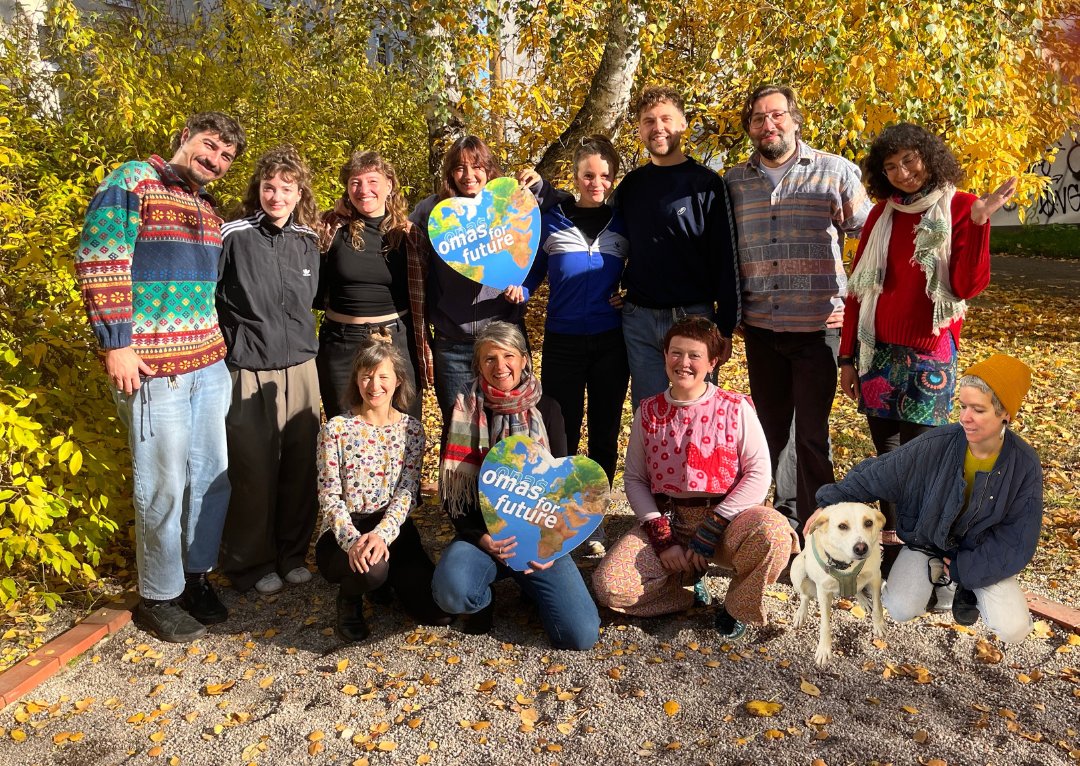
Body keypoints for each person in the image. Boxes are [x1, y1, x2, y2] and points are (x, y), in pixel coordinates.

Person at [75, 112, 246, 642]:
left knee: (211, 478)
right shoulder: (132, 180)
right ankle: (159, 594)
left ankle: (195, 578)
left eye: (225, 156)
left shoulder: (208, 207)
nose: (214, 160)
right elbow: (100, 258)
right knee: (164, 484)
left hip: (207, 364)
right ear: (184, 138)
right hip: (152, 368)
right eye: (209, 146)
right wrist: (116, 344)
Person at [839, 123, 1016, 574]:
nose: (902, 172)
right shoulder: (883, 214)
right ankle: (899, 553)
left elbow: (966, 285)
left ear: (929, 156)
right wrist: (846, 357)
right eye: (891, 166)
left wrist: (978, 224)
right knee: (890, 458)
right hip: (876, 352)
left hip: (930, 354)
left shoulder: (960, 207)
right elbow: (858, 290)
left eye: (909, 160)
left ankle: (928, 555)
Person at [724, 84, 873, 533]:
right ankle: (784, 521)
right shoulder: (734, 181)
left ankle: (816, 528)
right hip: (761, 328)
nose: (768, 125)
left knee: (810, 436)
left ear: (794, 119)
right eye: (758, 118)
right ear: (749, 127)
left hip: (817, 326)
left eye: (777, 115)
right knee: (773, 434)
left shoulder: (834, 172)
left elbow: (873, 236)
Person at [593, 317, 799, 640]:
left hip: (729, 524)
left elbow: (759, 473)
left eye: (694, 355)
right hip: (670, 521)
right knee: (609, 587)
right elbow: (634, 478)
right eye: (675, 353)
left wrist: (714, 525)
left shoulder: (736, 408)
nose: (683, 363)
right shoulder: (647, 412)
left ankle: (737, 607)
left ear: (712, 362)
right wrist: (661, 536)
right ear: (664, 356)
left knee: (774, 533)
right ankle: (684, 593)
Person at [815, 354, 1041, 642]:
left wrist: (965, 568)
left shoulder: (1024, 463)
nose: (964, 418)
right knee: (899, 608)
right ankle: (939, 576)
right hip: (927, 544)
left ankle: (964, 584)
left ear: (1005, 414)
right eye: (962, 406)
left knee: (1014, 629)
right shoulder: (940, 442)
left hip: (981, 555)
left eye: (978, 410)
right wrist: (831, 502)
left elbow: (1019, 539)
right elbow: (882, 472)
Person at [430, 322, 600, 650]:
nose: (500, 366)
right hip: (483, 536)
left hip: (539, 538)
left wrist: (553, 546)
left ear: (524, 359)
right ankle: (484, 600)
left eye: (508, 356)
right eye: (489, 359)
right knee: (453, 593)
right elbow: (453, 491)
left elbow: (563, 488)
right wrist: (480, 537)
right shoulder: (462, 409)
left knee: (579, 635)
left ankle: (531, 586)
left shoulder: (548, 409)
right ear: (477, 364)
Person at [216, 145, 322, 595]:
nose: (276, 195)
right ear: (257, 189)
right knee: (253, 470)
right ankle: (251, 564)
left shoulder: (309, 241)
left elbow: (314, 298)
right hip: (249, 367)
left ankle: (292, 553)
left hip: (301, 366)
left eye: (286, 188)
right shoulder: (234, 235)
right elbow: (208, 297)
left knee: (301, 466)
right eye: (268, 186)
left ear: (299, 193)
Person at [409, 135, 569, 423]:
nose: (469, 175)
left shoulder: (510, 203)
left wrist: (540, 186)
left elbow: (567, 203)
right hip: (453, 344)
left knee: (511, 427)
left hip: (503, 341)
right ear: (450, 173)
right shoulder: (434, 211)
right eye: (460, 168)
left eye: (477, 166)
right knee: (458, 433)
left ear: (489, 169)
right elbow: (396, 228)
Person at [521, 134, 629, 555]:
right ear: (576, 176)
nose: (595, 182)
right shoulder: (551, 218)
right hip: (562, 339)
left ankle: (594, 517)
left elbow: (643, 269)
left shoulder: (623, 222)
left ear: (612, 178)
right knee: (560, 430)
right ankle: (562, 514)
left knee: (604, 431)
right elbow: (533, 273)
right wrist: (520, 291)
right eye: (588, 175)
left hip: (610, 340)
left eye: (604, 175)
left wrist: (630, 293)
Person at [610, 85, 741, 410]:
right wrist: (607, 287)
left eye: (666, 119)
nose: (658, 127)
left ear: (682, 124)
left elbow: (726, 259)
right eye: (649, 121)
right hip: (638, 318)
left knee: (698, 414)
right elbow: (607, 241)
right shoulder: (631, 186)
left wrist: (725, 326)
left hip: (694, 317)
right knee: (648, 413)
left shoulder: (707, 184)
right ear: (640, 129)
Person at [314, 338, 451, 642]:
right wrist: (353, 541)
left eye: (383, 376)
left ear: (398, 380)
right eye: (366, 376)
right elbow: (330, 496)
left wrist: (382, 535)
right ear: (356, 380)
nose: (374, 385)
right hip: (343, 531)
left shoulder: (412, 430)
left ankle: (386, 582)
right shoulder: (335, 429)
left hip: (391, 528)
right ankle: (350, 599)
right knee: (370, 570)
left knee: (439, 615)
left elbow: (407, 493)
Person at [316, 151, 428, 421]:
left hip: (395, 341)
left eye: (372, 181)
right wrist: (332, 209)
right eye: (355, 182)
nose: (364, 189)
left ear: (389, 185)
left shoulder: (410, 235)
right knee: (344, 429)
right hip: (341, 344)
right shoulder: (330, 226)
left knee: (403, 428)